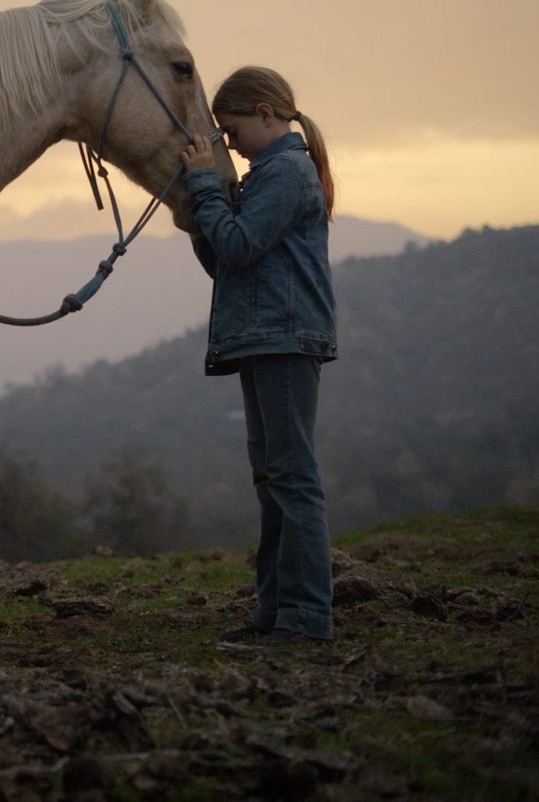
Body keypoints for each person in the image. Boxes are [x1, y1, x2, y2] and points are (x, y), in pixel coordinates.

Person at [180, 66, 338, 647]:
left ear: (266, 115)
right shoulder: (267, 175)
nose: (230, 145)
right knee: (274, 479)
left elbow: (241, 246)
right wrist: (201, 210)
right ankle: (275, 615)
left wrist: (204, 188)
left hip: (285, 338)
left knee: (292, 479)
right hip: (263, 336)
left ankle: (305, 619)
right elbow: (226, 260)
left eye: (232, 129)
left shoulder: (285, 173)